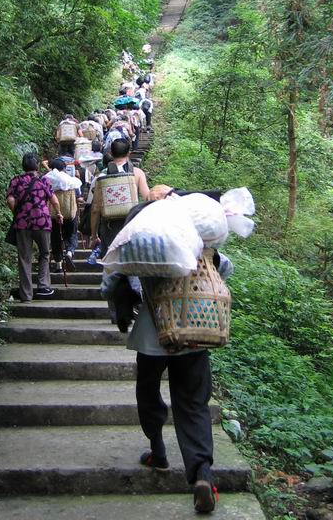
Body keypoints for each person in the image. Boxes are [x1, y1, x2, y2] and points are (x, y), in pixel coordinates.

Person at [101, 191, 232, 514]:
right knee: (193, 402)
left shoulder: (143, 241)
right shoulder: (200, 241)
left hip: (151, 334)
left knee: (147, 392)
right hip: (194, 328)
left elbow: (113, 282)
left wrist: (121, 307)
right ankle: (202, 473)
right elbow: (224, 272)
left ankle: (158, 451)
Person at [6, 152, 63, 301]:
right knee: (44, 253)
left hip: (23, 224)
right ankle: (43, 286)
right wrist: (58, 214)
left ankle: (26, 295)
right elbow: (55, 201)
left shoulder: (16, 181)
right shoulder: (43, 181)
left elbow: (11, 200)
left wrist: (17, 214)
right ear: (37, 165)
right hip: (42, 222)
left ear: (23, 166)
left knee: (25, 258)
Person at [90, 138, 150, 255]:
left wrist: (94, 236)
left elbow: (95, 209)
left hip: (109, 227)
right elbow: (147, 197)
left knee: (111, 264)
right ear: (129, 153)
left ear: (111, 154)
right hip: (131, 224)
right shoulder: (136, 173)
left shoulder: (102, 176)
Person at [44, 158, 81, 271]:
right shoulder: (71, 180)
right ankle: (69, 252)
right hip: (69, 213)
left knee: (55, 237)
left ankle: (58, 264)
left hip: (53, 214)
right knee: (72, 233)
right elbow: (78, 195)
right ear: (64, 168)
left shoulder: (45, 179)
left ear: (51, 168)